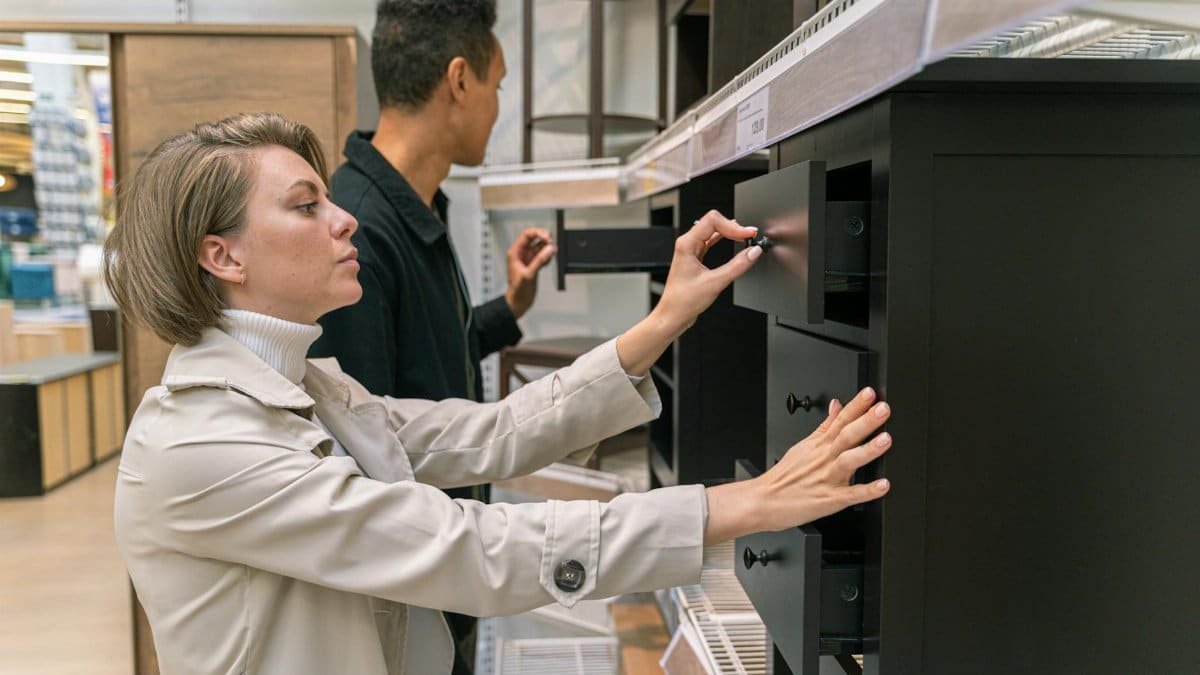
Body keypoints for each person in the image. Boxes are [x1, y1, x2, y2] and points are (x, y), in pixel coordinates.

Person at [105, 112, 893, 675]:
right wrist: (747, 503)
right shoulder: (200, 445)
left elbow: (491, 434)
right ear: (224, 256)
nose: (344, 221)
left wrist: (667, 317)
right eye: (307, 205)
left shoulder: (311, 386)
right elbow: (461, 546)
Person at [310, 0, 549, 405]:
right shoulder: (358, 238)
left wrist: (511, 305)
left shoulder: (416, 206)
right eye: (497, 85)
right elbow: (362, 440)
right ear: (459, 81)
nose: (496, 107)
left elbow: (434, 360)